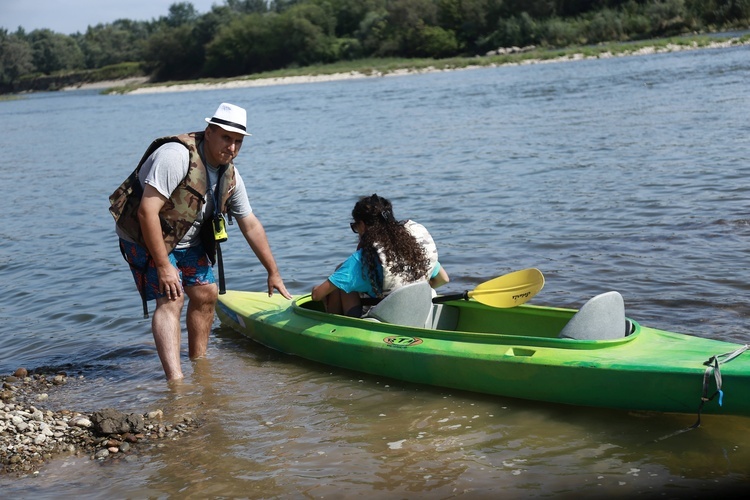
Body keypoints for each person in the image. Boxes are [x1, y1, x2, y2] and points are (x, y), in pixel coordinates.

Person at [109, 102, 292, 381]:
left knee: (207, 294)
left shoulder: (230, 175)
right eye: (226, 138)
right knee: (172, 297)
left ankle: (200, 366)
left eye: (238, 142)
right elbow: (147, 212)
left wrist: (273, 272)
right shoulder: (175, 156)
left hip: (187, 239)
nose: (231, 148)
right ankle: (176, 381)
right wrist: (163, 266)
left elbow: (250, 223)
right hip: (146, 236)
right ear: (209, 132)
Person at [311, 194, 449, 317]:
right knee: (345, 279)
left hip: (386, 318)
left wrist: (315, 290)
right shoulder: (413, 250)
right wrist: (413, 293)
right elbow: (443, 279)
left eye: (355, 226)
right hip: (419, 314)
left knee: (341, 276)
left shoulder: (361, 260)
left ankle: (337, 325)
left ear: (363, 225)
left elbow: (317, 296)